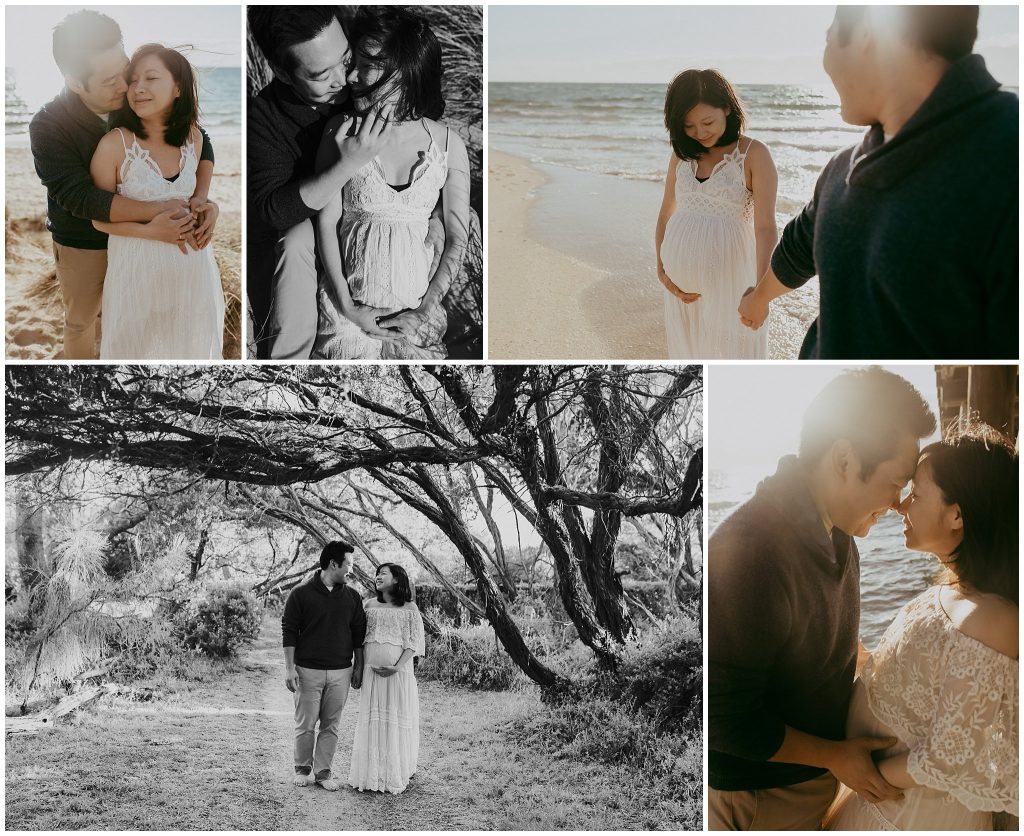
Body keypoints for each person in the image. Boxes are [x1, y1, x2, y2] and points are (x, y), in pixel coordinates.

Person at [708, 367, 937, 830]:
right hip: (760, 797)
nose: (898, 503)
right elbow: (722, 717)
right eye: (896, 482)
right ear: (845, 460)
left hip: (810, 782)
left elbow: (821, 645)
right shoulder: (751, 552)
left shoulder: (837, 532)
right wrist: (835, 756)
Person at [737, 6, 1017, 359]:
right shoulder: (842, 168)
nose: (824, 62)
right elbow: (799, 248)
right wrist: (758, 298)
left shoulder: (1008, 167)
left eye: (828, 40)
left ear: (867, 29)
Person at [825, 425, 1018, 829]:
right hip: (880, 796)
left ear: (957, 514)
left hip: (904, 813)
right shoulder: (957, 588)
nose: (901, 505)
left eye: (916, 493)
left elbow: (949, 756)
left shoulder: (995, 620)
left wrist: (862, 772)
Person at [27, 10, 216, 360]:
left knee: (142, 320)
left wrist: (203, 199)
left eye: (124, 68)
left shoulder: (133, 100)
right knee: (82, 321)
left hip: (150, 247)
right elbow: (80, 198)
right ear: (75, 82)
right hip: (84, 240)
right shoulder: (48, 125)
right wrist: (160, 211)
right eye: (109, 80)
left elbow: (196, 137)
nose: (126, 84)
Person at [312, 7, 470, 359]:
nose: (351, 76)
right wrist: (349, 308)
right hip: (346, 318)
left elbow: (457, 238)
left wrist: (424, 311)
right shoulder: (340, 131)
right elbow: (326, 223)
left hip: (417, 321)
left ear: (402, 72)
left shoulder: (447, 145)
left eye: (365, 65)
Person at [247, 6, 392, 359]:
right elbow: (271, 212)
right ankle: (286, 368)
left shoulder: (366, 74)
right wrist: (348, 164)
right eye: (320, 74)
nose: (343, 80)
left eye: (344, 59)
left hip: (376, 231)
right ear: (282, 72)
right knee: (296, 236)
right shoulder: (262, 117)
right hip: (298, 248)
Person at [90, 44, 224, 360]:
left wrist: (209, 209)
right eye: (133, 80)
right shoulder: (114, 144)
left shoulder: (195, 138)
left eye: (151, 78)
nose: (138, 88)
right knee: (132, 354)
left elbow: (195, 199)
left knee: (190, 352)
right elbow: (98, 218)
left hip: (193, 270)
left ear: (178, 87)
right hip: (136, 269)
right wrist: (152, 232)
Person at [655, 69, 777, 359]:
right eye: (689, 126)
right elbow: (665, 214)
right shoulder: (681, 155)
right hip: (680, 293)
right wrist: (661, 269)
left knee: (733, 359)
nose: (700, 132)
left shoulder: (754, 155)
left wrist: (761, 294)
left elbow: (765, 229)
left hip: (734, 283)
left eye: (707, 121)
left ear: (726, 107)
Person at [281, 541, 367, 792]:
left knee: (331, 725)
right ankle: (302, 769)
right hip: (308, 670)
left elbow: (358, 634)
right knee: (306, 724)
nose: (351, 570)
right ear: (333, 564)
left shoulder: (352, 597)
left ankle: (323, 772)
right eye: (348, 564)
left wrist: (358, 666)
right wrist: (289, 668)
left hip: (341, 671)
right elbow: (289, 632)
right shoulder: (300, 593)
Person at [349, 563, 425, 794]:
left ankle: (394, 771)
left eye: (383, 573)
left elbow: (414, 642)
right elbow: (359, 640)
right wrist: (358, 668)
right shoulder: (368, 605)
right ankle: (373, 774)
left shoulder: (410, 608)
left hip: (398, 675)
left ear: (397, 579)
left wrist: (396, 667)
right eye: (377, 573)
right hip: (372, 674)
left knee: (394, 720)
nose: (377, 576)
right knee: (374, 721)